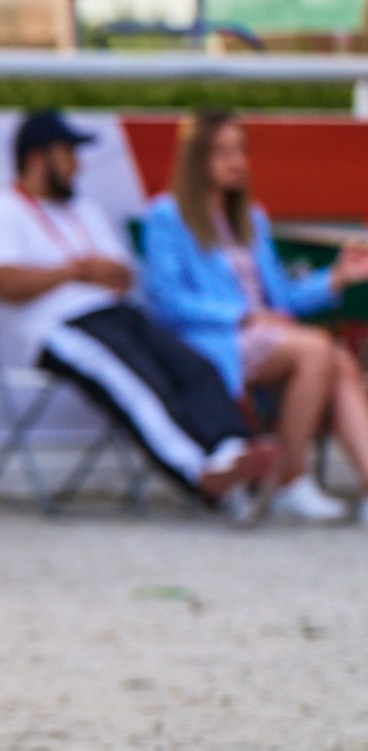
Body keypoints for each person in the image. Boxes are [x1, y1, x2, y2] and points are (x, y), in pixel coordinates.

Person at [0, 109, 285, 514]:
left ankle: (233, 449)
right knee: (140, 383)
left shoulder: (83, 209)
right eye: (68, 153)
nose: (77, 164)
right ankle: (201, 472)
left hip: (116, 314)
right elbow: (2, 283)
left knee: (192, 365)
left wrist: (91, 273)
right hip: (57, 328)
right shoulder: (0, 212)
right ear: (37, 158)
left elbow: (121, 273)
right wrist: (75, 271)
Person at [140, 107, 368, 517]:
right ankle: (289, 479)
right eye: (222, 152)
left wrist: (334, 279)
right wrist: (243, 317)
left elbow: (281, 300)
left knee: (337, 360)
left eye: (240, 151)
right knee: (319, 351)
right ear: (197, 160)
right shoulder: (166, 216)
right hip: (210, 343)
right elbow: (168, 301)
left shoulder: (251, 219)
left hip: (270, 338)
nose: (236, 162)